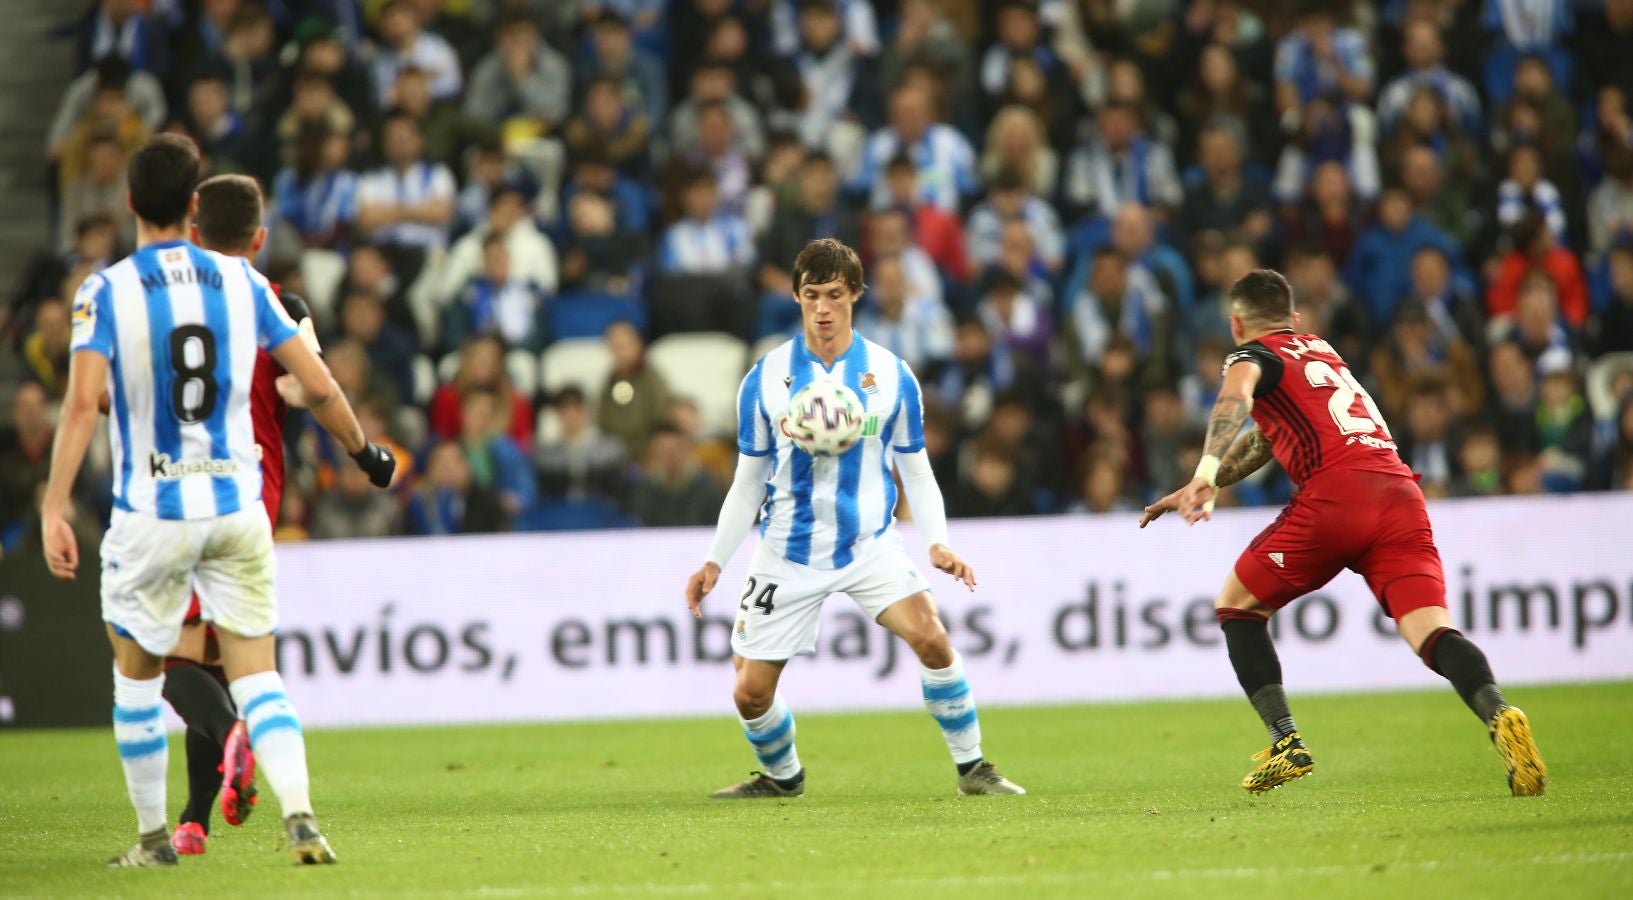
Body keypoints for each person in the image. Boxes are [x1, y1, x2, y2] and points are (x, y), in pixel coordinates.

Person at [38, 135, 397, 867]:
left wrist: (54, 504)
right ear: (193, 204)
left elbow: (81, 406)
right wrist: (364, 453)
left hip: (153, 510)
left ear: (131, 204)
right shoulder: (248, 285)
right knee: (256, 668)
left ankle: (153, 840)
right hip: (240, 504)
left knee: (140, 671)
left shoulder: (107, 290)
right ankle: (301, 819)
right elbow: (318, 385)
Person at [1139, 269, 1547, 798]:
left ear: (1237, 323)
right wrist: (1212, 480)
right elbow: (1266, 438)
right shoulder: (1319, 351)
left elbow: (1232, 402)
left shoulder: (1250, 356)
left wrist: (1205, 470)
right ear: (1296, 319)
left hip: (1337, 495)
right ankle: (1500, 712)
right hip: (1399, 492)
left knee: (1237, 606)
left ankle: (1286, 742)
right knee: (1431, 632)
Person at [684, 238, 1024, 799]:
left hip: (869, 543)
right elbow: (748, 481)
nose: (823, 307)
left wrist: (936, 542)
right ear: (795, 295)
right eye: (811, 294)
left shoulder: (891, 376)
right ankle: (783, 777)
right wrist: (714, 560)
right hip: (787, 549)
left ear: (856, 295)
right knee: (749, 693)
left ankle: (974, 769)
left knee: (932, 636)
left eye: (835, 295)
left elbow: (915, 470)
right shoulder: (765, 379)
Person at [161, 173, 325, 857]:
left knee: (163, 658)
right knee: (222, 658)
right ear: (259, 239)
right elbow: (311, 378)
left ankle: (237, 733)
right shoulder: (282, 303)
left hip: (189, 492)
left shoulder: (170, 306)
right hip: (260, 495)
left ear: (194, 235)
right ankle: (195, 819)